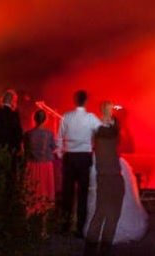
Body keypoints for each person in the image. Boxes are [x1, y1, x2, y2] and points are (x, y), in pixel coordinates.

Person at [58, 90, 102, 237]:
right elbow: (102, 131)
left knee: (67, 193)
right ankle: (80, 229)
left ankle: (64, 226)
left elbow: (59, 137)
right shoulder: (91, 118)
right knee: (83, 194)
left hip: (69, 157)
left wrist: (60, 154)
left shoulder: (66, 116)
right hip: (84, 158)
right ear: (86, 101)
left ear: (75, 100)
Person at [85, 101, 123, 256]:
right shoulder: (106, 130)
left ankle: (93, 247)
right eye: (109, 109)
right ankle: (101, 247)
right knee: (109, 213)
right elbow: (114, 132)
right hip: (110, 175)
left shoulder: (97, 129)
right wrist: (111, 119)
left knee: (103, 211)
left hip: (105, 174)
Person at [25, 109, 56, 214]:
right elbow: (54, 147)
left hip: (32, 163)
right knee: (45, 187)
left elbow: (25, 149)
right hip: (46, 164)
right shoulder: (49, 133)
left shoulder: (28, 134)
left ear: (35, 119)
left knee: (34, 186)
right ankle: (45, 206)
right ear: (45, 120)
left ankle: (33, 206)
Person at [0, 89, 23, 176]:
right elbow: (18, 132)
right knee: (11, 175)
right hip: (11, 149)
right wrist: (20, 147)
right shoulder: (14, 114)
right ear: (13, 101)